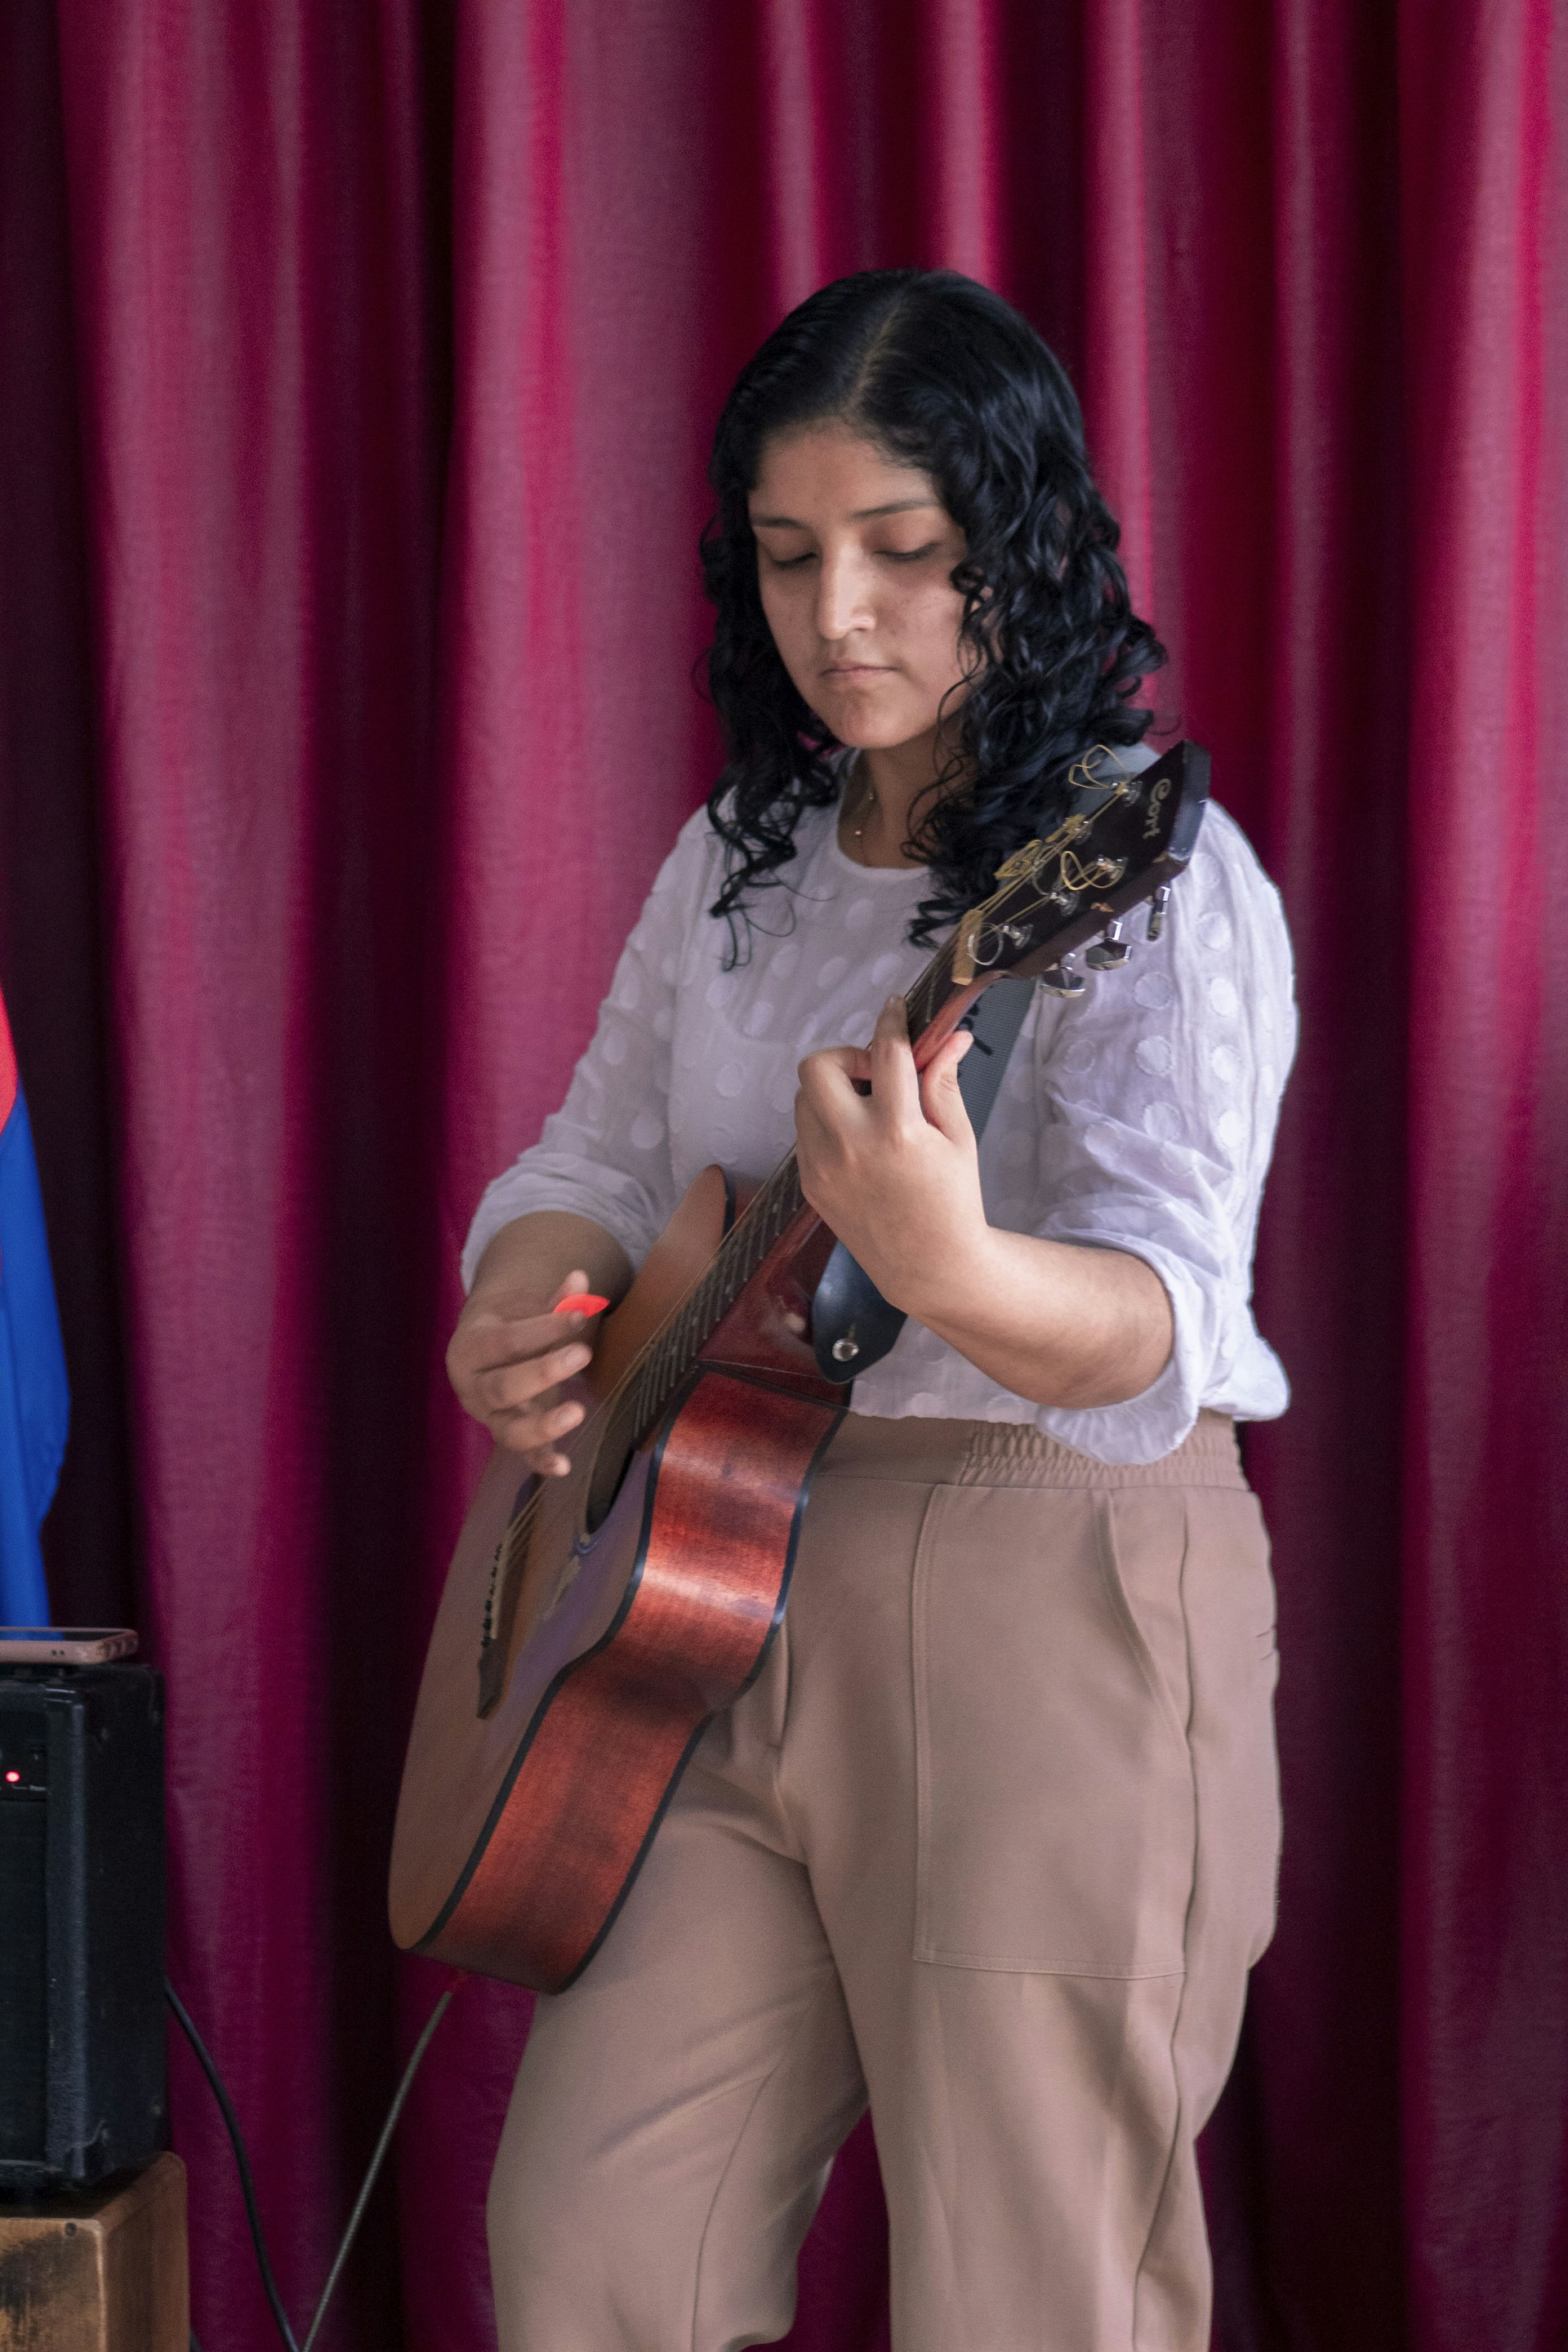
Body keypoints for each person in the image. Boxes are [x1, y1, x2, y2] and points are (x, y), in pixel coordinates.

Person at [448, 270, 1294, 2352]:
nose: (844, 615)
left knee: (1035, 2287)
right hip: (708, 1588)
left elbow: (1174, 1313)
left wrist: (950, 1269)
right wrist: (520, 1301)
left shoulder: (1156, 879)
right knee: (593, 2257)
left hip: (1046, 1579)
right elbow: (590, 1169)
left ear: (1018, 540)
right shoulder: (740, 852)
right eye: (790, 551)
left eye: (908, 555)